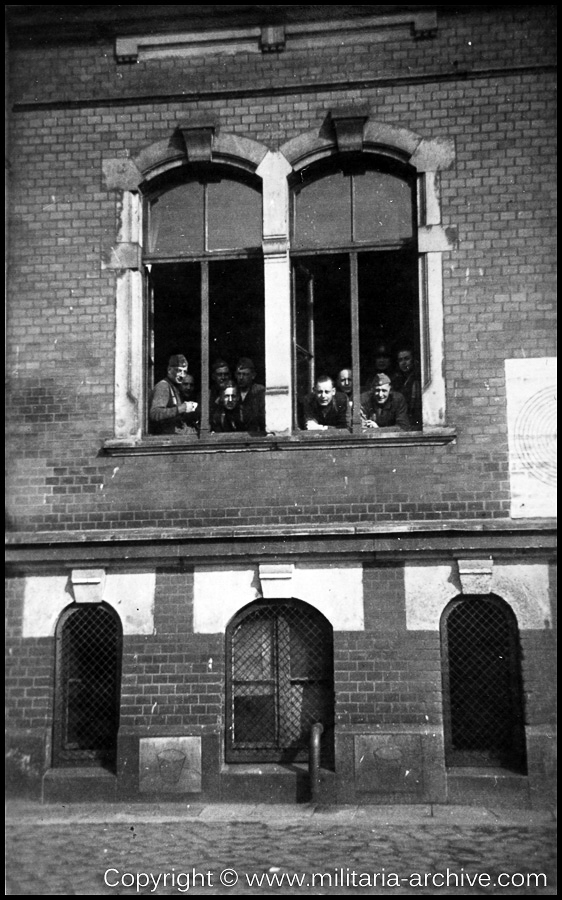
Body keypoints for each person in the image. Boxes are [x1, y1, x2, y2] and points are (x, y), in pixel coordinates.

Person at [149, 354, 199, 435]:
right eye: (179, 371)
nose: (182, 375)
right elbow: (155, 413)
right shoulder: (163, 386)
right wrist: (180, 409)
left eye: (185, 372)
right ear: (169, 370)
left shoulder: (174, 387)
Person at [392, 345, 422, 428]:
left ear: (413, 360)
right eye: (400, 360)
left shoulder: (418, 378)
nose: (403, 363)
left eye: (407, 358)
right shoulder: (396, 380)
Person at [234, 357, 266, 433]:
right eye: (239, 374)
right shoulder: (232, 392)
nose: (241, 378)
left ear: (253, 375)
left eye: (245, 374)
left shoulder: (260, 392)